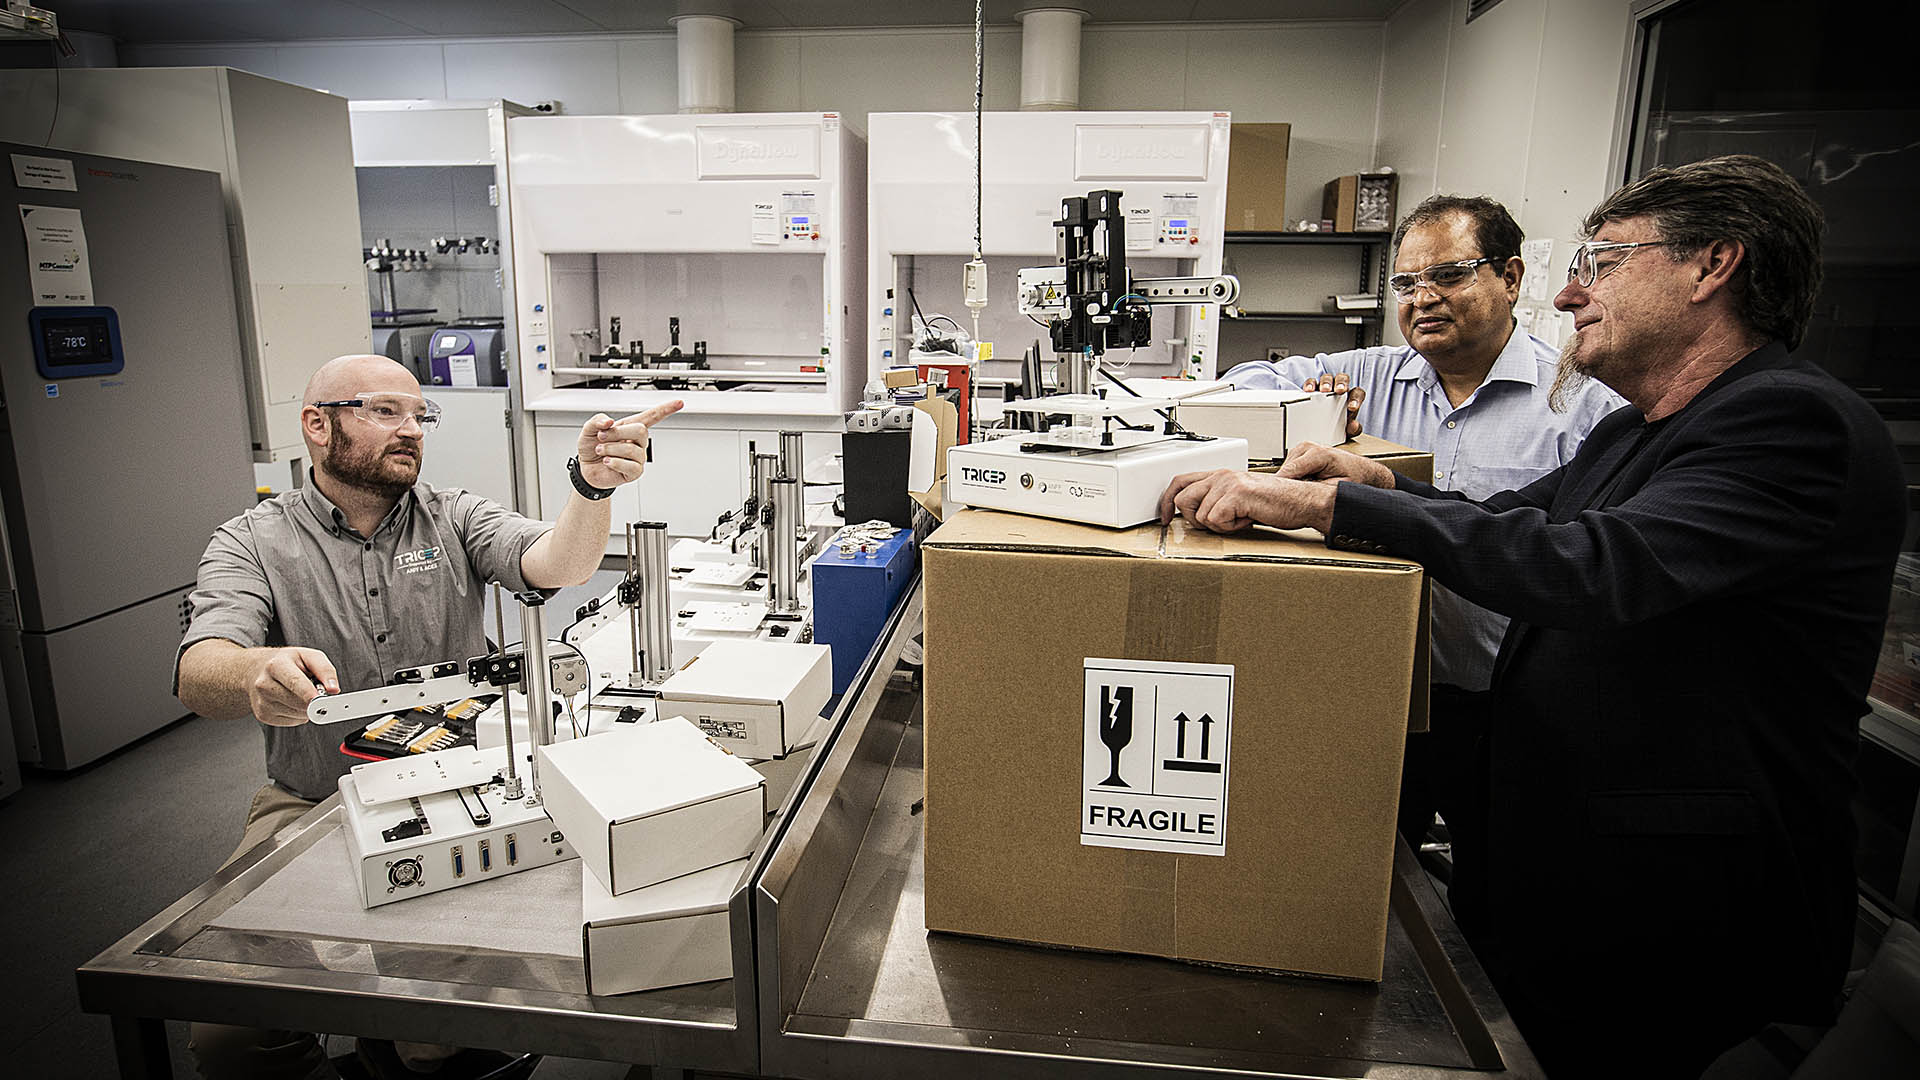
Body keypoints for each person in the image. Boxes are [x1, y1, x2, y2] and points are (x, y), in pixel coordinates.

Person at [1161, 155, 1903, 1078]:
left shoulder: (1791, 422)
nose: (1567, 295)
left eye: (1602, 261)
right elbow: (1521, 522)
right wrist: (1384, 482)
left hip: (1678, 909)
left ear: (1712, 266)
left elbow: (1599, 568)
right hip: (1565, 870)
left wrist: (1332, 511)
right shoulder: (1640, 427)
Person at [175, 352, 683, 1080]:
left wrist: (591, 487)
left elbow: (556, 564)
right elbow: (200, 667)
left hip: (464, 791)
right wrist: (254, 671)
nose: (411, 428)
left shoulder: (455, 516)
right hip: (312, 799)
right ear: (317, 426)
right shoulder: (253, 540)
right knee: (228, 1038)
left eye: (420, 414)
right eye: (385, 411)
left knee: (436, 1026)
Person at [1222, 194, 1621, 850]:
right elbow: (1242, 377)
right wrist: (1305, 408)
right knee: (1364, 859)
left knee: (1497, 872)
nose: (1423, 297)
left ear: (1512, 278)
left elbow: (1580, 562)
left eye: (1449, 275)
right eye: (1406, 283)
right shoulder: (1365, 376)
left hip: (1500, 701)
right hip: (1374, 692)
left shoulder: (1581, 404)